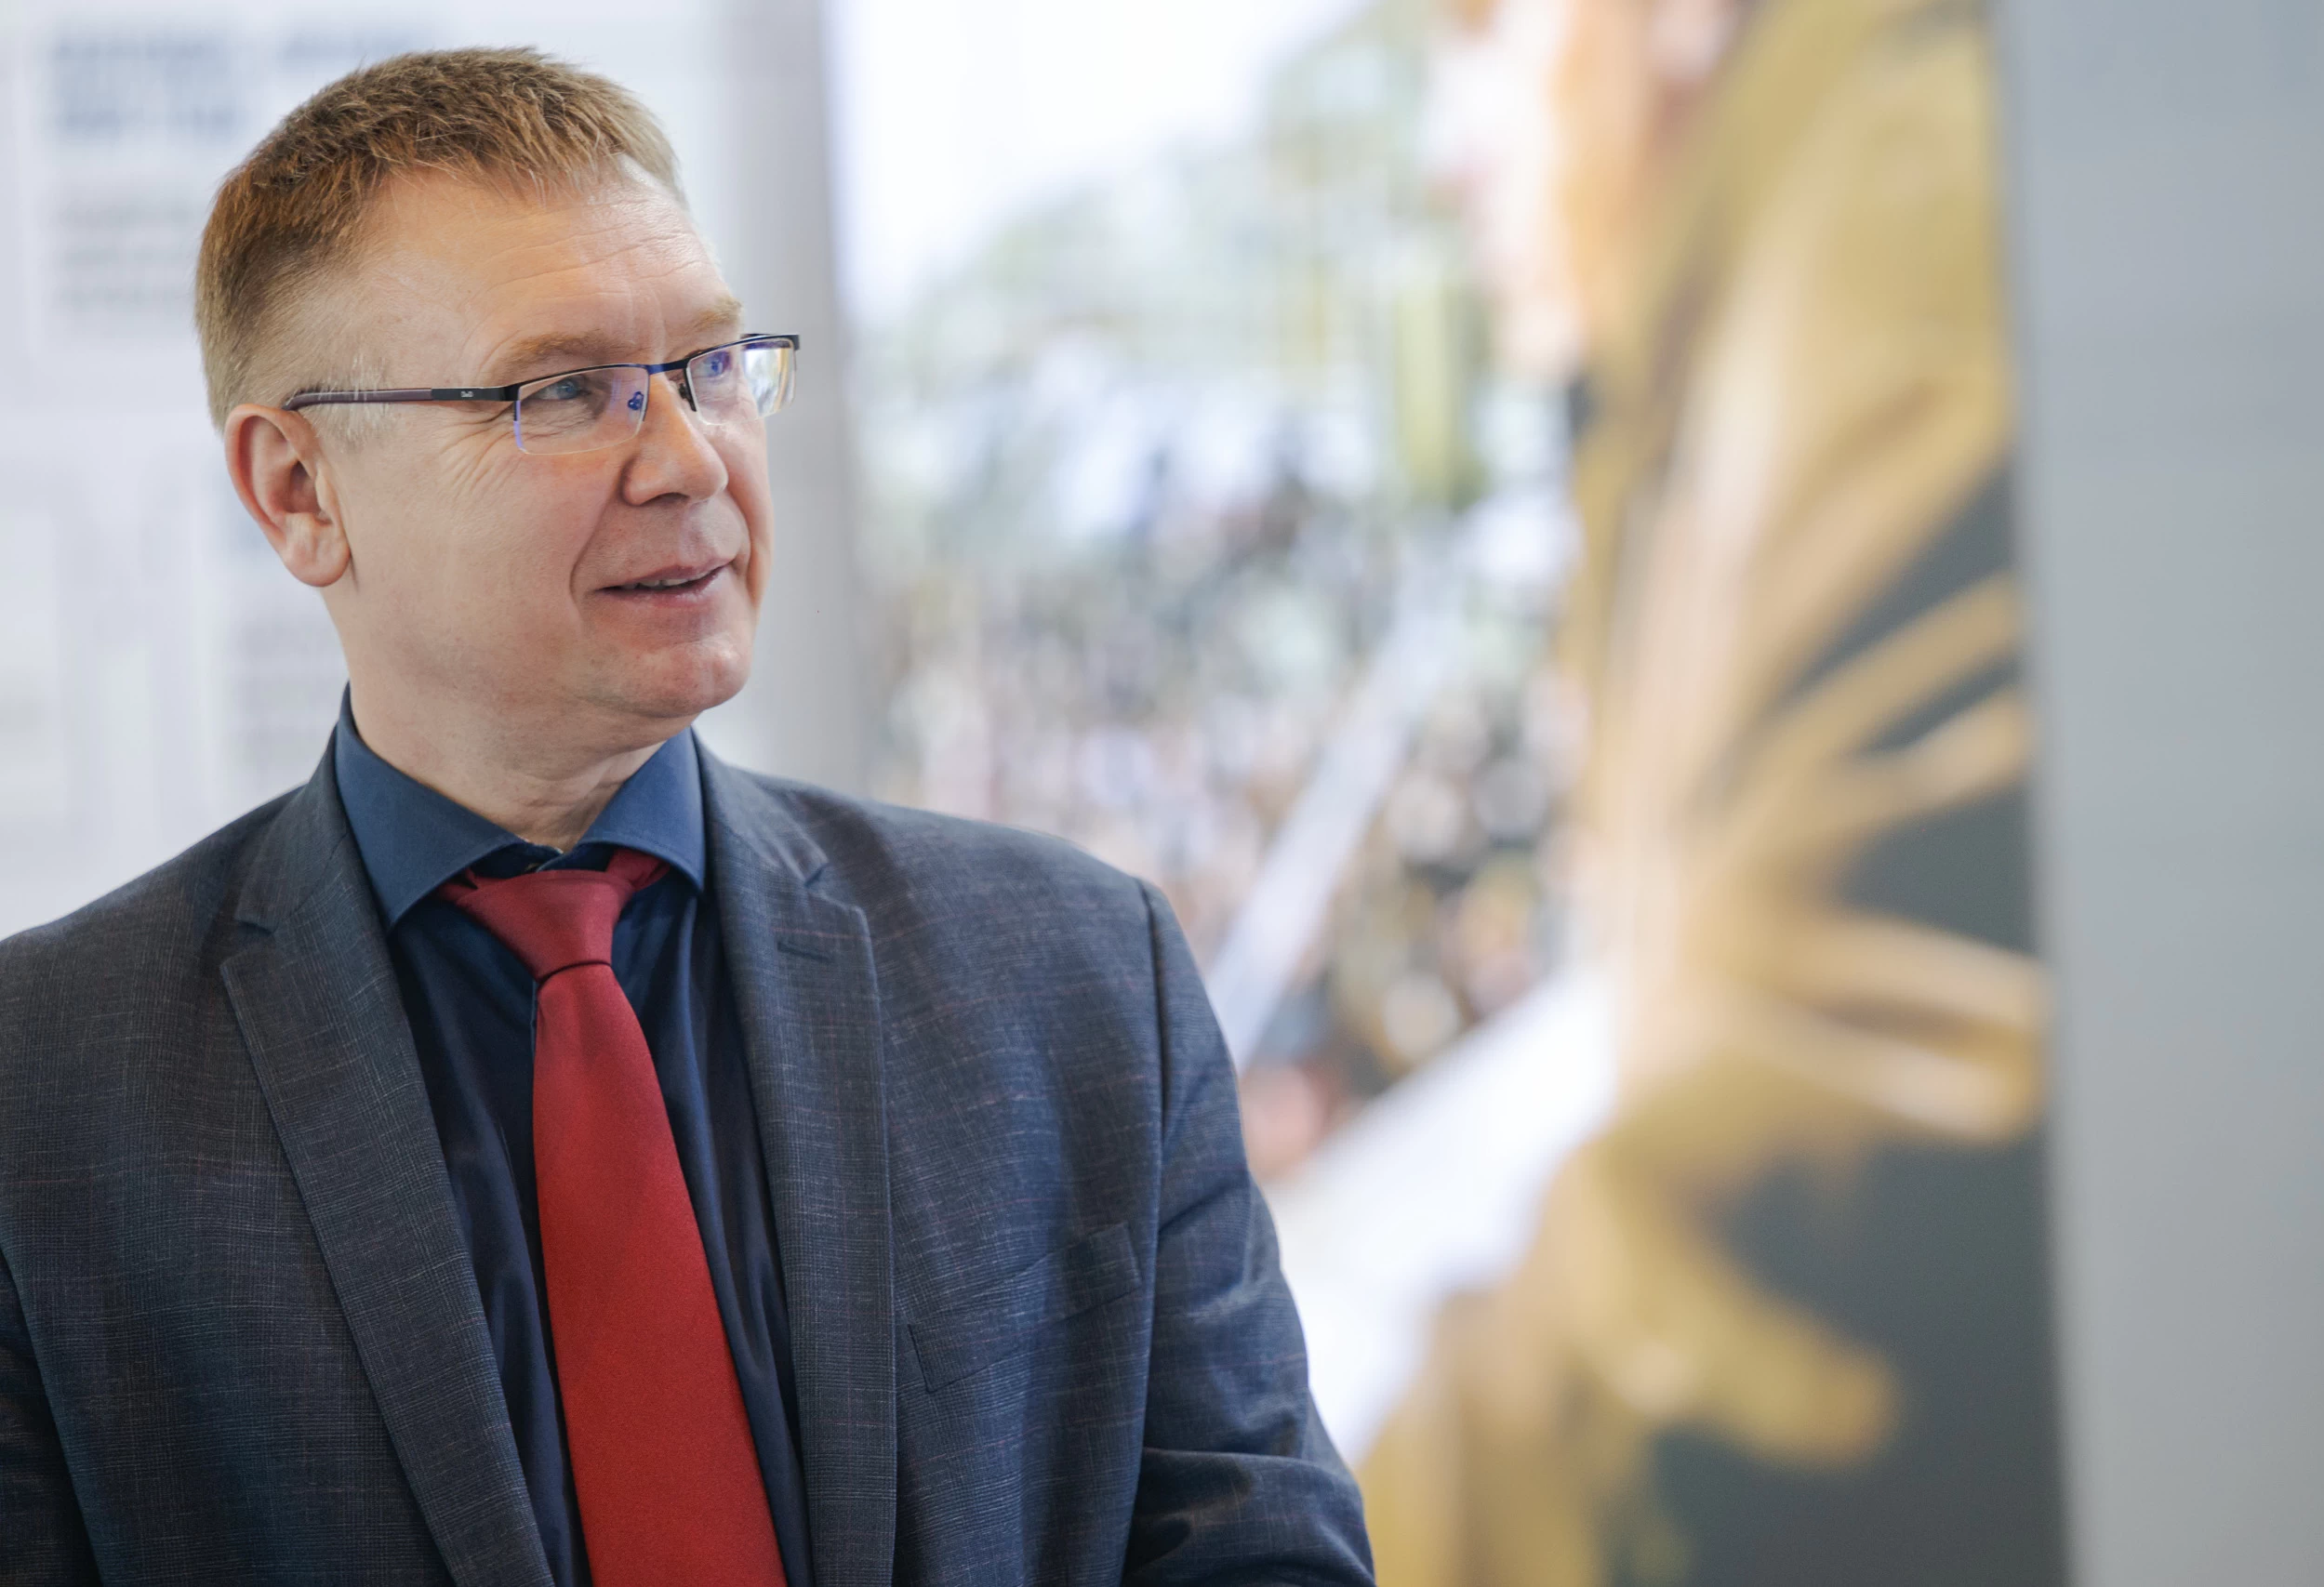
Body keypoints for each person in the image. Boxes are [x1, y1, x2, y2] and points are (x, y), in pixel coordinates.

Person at [0, 48, 1370, 1587]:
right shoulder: (48, 1093)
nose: (690, 456)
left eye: (711, 366)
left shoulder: (1078, 974)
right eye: (562, 390)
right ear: (299, 491)